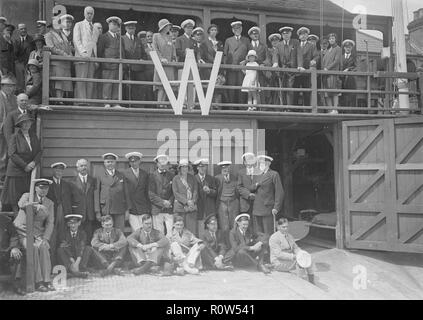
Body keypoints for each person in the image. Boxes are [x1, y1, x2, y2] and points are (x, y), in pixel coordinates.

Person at [14, 178, 55, 292]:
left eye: (46, 188)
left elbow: (50, 222)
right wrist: (36, 206)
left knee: (43, 247)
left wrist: (46, 238)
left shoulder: (50, 203)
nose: (43, 190)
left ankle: (47, 280)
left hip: (37, 233)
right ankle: (39, 282)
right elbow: (21, 204)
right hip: (22, 231)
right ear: (36, 188)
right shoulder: (27, 196)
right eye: (41, 188)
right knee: (33, 248)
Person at [1, 114, 41, 214]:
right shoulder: (14, 137)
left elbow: (39, 152)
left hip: (28, 172)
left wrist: (34, 162)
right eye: (24, 122)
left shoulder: (33, 136)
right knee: (15, 200)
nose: (27, 124)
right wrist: (25, 166)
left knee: (26, 197)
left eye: (29, 122)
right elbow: (12, 154)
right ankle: (16, 223)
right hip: (16, 172)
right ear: (20, 124)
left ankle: (24, 223)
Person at [269, 218, 315, 284]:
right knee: (299, 263)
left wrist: (301, 253)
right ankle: (301, 283)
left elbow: (295, 247)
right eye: (283, 227)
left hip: (288, 260)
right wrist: (294, 256)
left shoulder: (289, 236)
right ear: (278, 227)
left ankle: (311, 281)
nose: (286, 229)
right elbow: (278, 254)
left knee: (308, 259)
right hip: (278, 262)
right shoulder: (274, 238)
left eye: (287, 227)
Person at [47, 162, 73, 266]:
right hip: (52, 214)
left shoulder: (66, 184)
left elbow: (69, 201)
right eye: (57, 170)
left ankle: (62, 265)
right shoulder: (48, 183)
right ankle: (51, 264)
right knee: (52, 239)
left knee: (62, 239)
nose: (59, 173)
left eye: (61, 171)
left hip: (63, 214)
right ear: (53, 171)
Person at [94, 153, 127, 232]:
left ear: (115, 163)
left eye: (112, 162)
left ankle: (118, 244)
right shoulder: (99, 175)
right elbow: (96, 194)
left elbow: (126, 193)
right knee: (107, 230)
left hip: (119, 208)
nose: (110, 164)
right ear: (104, 163)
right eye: (108, 162)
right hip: (106, 208)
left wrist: (127, 210)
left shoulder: (121, 175)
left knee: (119, 231)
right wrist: (97, 211)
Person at [44, 14, 74, 101]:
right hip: (57, 62)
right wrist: (64, 54)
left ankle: (63, 100)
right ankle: (58, 100)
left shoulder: (63, 35)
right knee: (59, 83)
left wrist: (70, 55)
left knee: (65, 82)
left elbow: (68, 47)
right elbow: (52, 48)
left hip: (66, 62)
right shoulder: (48, 35)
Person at [57, 214, 96, 278]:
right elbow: (66, 248)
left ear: (79, 223)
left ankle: (76, 271)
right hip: (69, 258)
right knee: (60, 250)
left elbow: (81, 247)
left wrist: (77, 263)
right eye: (71, 223)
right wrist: (73, 262)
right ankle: (74, 271)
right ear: (68, 224)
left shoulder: (82, 233)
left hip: (79, 258)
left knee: (88, 248)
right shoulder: (63, 233)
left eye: (75, 223)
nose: (73, 225)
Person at [73, 6, 99, 102]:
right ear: (84, 14)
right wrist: (83, 53)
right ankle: (81, 102)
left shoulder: (95, 29)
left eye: (91, 13)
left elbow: (94, 44)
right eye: (88, 13)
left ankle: (88, 102)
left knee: (90, 81)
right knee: (81, 80)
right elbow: (76, 40)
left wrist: (95, 57)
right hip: (82, 57)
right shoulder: (78, 25)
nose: (89, 15)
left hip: (92, 58)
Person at [97, 16, 124, 108]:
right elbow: (100, 51)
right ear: (109, 25)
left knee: (116, 84)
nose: (115, 26)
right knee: (107, 84)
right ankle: (106, 101)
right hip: (107, 65)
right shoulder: (103, 37)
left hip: (117, 65)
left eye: (116, 25)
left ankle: (115, 102)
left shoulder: (119, 38)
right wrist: (102, 63)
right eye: (113, 24)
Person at [253, 155, 284, 235]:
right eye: (260, 164)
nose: (260, 165)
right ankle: (261, 246)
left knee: (268, 231)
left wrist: (276, 207)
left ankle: (268, 247)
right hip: (257, 207)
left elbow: (279, 192)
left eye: (262, 164)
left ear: (268, 164)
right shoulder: (257, 175)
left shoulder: (274, 174)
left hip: (268, 207)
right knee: (259, 232)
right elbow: (252, 188)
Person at [69, 158, 97, 241]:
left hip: (90, 214)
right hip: (78, 213)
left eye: (85, 165)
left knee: (89, 237)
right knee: (78, 237)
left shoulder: (93, 180)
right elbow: (70, 199)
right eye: (81, 166)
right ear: (77, 168)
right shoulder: (72, 182)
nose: (84, 167)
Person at [122, 152, 151, 232]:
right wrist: (126, 209)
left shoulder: (145, 174)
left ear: (139, 161)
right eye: (132, 162)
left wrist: (148, 208)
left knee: (145, 229)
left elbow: (147, 191)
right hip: (131, 207)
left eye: (135, 161)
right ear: (129, 162)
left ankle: (145, 244)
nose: (134, 163)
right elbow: (124, 193)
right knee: (136, 231)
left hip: (143, 207)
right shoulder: (124, 173)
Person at [223, 21, 249, 105]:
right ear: (233, 30)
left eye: (239, 28)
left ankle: (241, 107)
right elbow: (225, 54)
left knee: (241, 88)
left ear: (241, 29)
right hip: (231, 68)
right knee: (231, 88)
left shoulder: (246, 40)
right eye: (235, 29)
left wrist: (246, 61)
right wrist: (225, 68)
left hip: (242, 69)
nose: (237, 30)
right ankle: (231, 107)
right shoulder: (228, 40)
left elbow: (251, 53)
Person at [122, 21, 147, 104]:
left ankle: (139, 106)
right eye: (129, 28)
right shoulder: (122, 39)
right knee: (128, 89)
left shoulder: (138, 40)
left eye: (133, 28)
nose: (131, 30)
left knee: (140, 88)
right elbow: (122, 54)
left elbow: (144, 54)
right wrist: (125, 65)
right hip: (128, 69)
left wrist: (143, 59)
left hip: (139, 69)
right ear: (126, 28)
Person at [152, 19, 177, 106]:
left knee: (168, 85)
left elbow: (173, 49)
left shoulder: (170, 36)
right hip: (161, 64)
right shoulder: (156, 36)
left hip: (169, 65)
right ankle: (160, 104)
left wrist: (174, 58)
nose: (169, 27)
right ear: (163, 27)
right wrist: (161, 58)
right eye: (167, 26)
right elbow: (155, 48)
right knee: (161, 85)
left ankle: (164, 104)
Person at [148, 154, 174, 236]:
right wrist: (163, 202)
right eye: (160, 163)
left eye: (164, 163)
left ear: (166, 164)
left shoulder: (171, 176)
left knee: (171, 233)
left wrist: (170, 201)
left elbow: (174, 192)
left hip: (169, 209)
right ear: (157, 164)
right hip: (157, 209)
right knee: (159, 233)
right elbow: (151, 194)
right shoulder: (152, 176)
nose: (162, 165)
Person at [0, 213, 25, 295]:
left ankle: (16, 285)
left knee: (17, 255)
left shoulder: (7, 221)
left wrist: (14, 247)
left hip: (5, 251)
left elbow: (14, 236)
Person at [272, 26, 298, 106]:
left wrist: (300, 65)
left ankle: (290, 107)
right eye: (284, 34)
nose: (286, 35)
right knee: (283, 88)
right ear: (282, 35)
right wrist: (275, 63)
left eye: (287, 33)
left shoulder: (295, 42)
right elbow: (275, 54)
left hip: (292, 70)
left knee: (290, 88)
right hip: (283, 70)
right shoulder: (279, 45)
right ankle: (284, 107)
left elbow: (299, 54)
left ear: (290, 34)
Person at [172, 159, 198, 235]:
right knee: (179, 230)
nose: (184, 169)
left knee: (191, 230)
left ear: (188, 168)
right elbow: (175, 193)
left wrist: (192, 201)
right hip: (180, 207)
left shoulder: (192, 178)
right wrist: (186, 201)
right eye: (182, 167)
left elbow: (195, 191)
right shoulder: (176, 178)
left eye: (186, 167)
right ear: (179, 168)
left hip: (191, 207)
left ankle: (191, 246)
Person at [295, 27, 318, 107]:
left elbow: (316, 56)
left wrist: (313, 62)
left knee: (307, 92)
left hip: (306, 72)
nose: (303, 36)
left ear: (307, 35)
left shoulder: (312, 46)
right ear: (299, 36)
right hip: (297, 72)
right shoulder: (296, 45)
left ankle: (307, 109)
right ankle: (295, 109)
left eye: (305, 34)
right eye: (301, 34)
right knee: (295, 92)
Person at [193, 158, 217, 237]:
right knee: (200, 228)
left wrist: (209, 191)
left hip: (209, 208)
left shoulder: (211, 178)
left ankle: (213, 245)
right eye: (200, 167)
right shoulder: (193, 178)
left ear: (206, 167)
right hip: (199, 208)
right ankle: (201, 245)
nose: (202, 168)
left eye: (204, 166)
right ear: (197, 168)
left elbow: (216, 193)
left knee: (211, 227)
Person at [0, 76, 17, 183]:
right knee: (2, 153)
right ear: (2, 86)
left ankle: (4, 175)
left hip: (10, 131)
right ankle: (1, 175)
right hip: (1, 129)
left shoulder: (13, 98)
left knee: (7, 152)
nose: (11, 88)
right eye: (9, 86)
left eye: (12, 86)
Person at [215, 160, 239, 231]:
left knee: (234, 223)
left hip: (233, 202)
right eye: (223, 168)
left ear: (229, 168)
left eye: (227, 168)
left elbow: (237, 190)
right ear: (221, 169)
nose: (225, 170)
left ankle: (233, 240)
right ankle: (225, 241)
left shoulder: (234, 177)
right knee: (224, 224)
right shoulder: (217, 178)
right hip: (222, 203)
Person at [322, 33, 342, 113]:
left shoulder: (338, 48)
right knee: (327, 93)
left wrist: (328, 68)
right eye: (330, 39)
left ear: (335, 39)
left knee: (334, 92)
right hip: (326, 74)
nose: (331, 40)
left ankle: (335, 109)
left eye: (333, 38)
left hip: (333, 73)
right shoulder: (327, 50)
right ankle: (330, 109)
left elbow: (336, 61)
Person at [13, 24, 34, 93]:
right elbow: (14, 53)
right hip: (19, 63)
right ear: (18, 30)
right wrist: (16, 61)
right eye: (21, 29)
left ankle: (28, 93)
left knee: (28, 80)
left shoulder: (31, 40)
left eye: (24, 29)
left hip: (29, 63)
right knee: (20, 80)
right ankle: (20, 94)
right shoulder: (16, 40)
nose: (23, 30)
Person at [237, 152, 259, 217]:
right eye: (247, 161)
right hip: (245, 202)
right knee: (246, 222)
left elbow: (261, 185)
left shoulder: (258, 171)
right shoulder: (241, 172)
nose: (249, 162)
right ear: (244, 162)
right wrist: (248, 194)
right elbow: (239, 187)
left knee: (256, 223)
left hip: (257, 201)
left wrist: (256, 194)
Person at [263, 33, 281, 105]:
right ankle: (272, 105)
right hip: (272, 73)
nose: (275, 42)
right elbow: (268, 60)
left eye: (276, 40)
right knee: (271, 90)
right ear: (271, 42)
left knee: (281, 91)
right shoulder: (269, 50)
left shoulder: (281, 49)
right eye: (273, 41)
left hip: (281, 73)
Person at [341, 39, 357, 110]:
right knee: (341, 95)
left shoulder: (354, 58)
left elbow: (356, 67)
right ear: (344, 48)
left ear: (351, 48)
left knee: (350, 95)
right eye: (346, 47)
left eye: (349, 47)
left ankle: (350, 110)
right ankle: (342, 110)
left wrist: (349, 69)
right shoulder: (340, 57)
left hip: (350, 80)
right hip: (341, 79)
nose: (348, 49)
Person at [141, 30, 155, 103]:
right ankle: (150, 104)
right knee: (148, 87)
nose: (149, 38)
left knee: (156, 87)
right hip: (147, 69)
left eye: (151, 36)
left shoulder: (156, 45)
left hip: (156, 69)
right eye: (148, 36)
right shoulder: (143, 46)